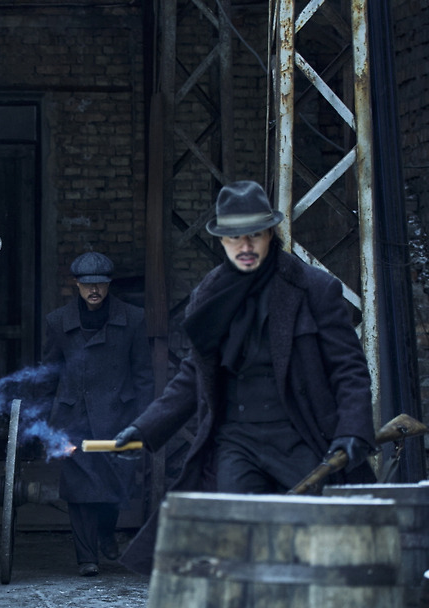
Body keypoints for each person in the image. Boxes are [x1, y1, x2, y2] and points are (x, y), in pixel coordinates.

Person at [114, 180, 376, 572]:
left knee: (307, 546)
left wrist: (352, 430)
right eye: (234, 238)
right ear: (222, 242)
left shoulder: (313, 289)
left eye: (254, 235)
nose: (245, 246)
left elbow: (349, 369)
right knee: (236, 542)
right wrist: (145, 428)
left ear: (271, 234)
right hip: (236, 441)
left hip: (300, 437)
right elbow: (193, 375)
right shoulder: (209, 296)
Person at [42, 251, 152, 577]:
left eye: (101, 284)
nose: (94, 290)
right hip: (74, 418)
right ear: (76, 284)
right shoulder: (58, 322)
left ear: (109, 284)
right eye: (88, 284)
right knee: (80, 491)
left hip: (119, 417)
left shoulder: (133, 319)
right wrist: (45, 422)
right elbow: (49, 373)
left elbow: (143, 375)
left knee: (113, 488)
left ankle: (106, 532)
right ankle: (86, 558)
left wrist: (144, 420)